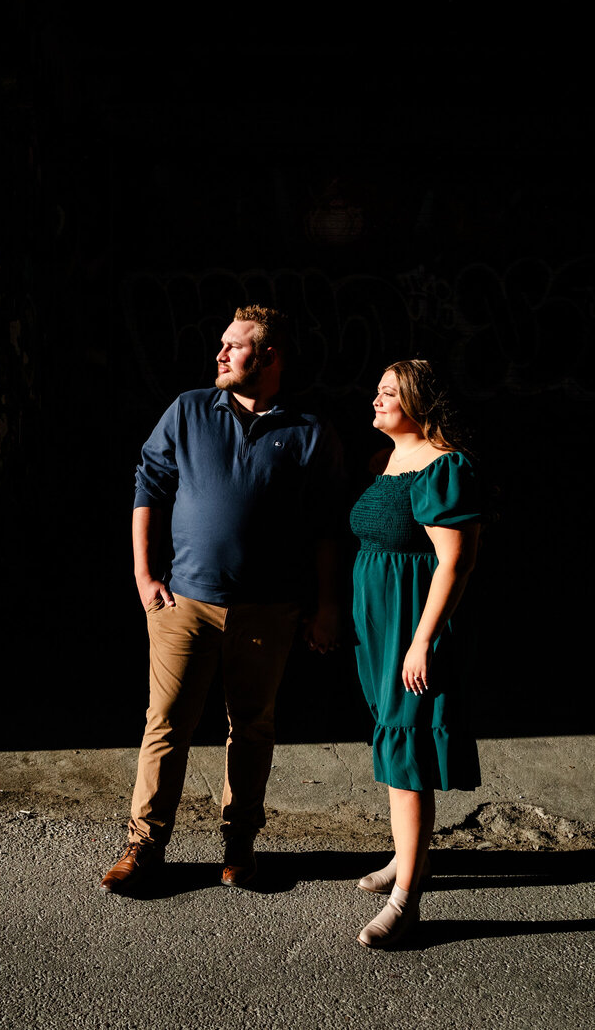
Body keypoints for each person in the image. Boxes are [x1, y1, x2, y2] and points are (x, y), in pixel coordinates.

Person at [100, 305, 343, 894]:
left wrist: (328, 604)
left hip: (270, 608)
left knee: (252, 727)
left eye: (234, 346)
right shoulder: (188, 410)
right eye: (221, 345)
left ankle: (239, 844)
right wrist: (142, 575)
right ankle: (144, 845)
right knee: (166, 725)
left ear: (269, 357)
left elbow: (328, 527)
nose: (221, 354)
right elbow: (148, 486)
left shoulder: (308, 431)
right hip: (185, 602)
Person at [348, 359, 487, 947]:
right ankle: (411, 859)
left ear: (418, 403)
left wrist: (422, 640)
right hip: (381, 629)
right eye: (377, 390)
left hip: (413, 629)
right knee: (391, 739)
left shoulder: (444, 467)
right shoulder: (390, 461)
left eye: (388, 393)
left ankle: (408, 899)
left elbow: (456, 562)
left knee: (407, 755)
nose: (375, 401)